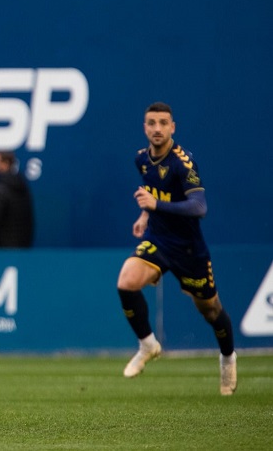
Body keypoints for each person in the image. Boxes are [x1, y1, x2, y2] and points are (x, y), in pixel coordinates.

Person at [116, 101, 237, 395]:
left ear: (173, 127)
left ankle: (228, 358)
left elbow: (199, 206)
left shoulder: (183, 164)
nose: (157, 128)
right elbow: (152, 190)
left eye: (163, 123)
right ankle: (148, 345)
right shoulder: (141, 159)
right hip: (158, 240)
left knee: (210, 310)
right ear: (145, 127)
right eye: (151, 123)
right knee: (126, 282)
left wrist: (155, 205)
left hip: (188, 250)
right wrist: (145, 214)